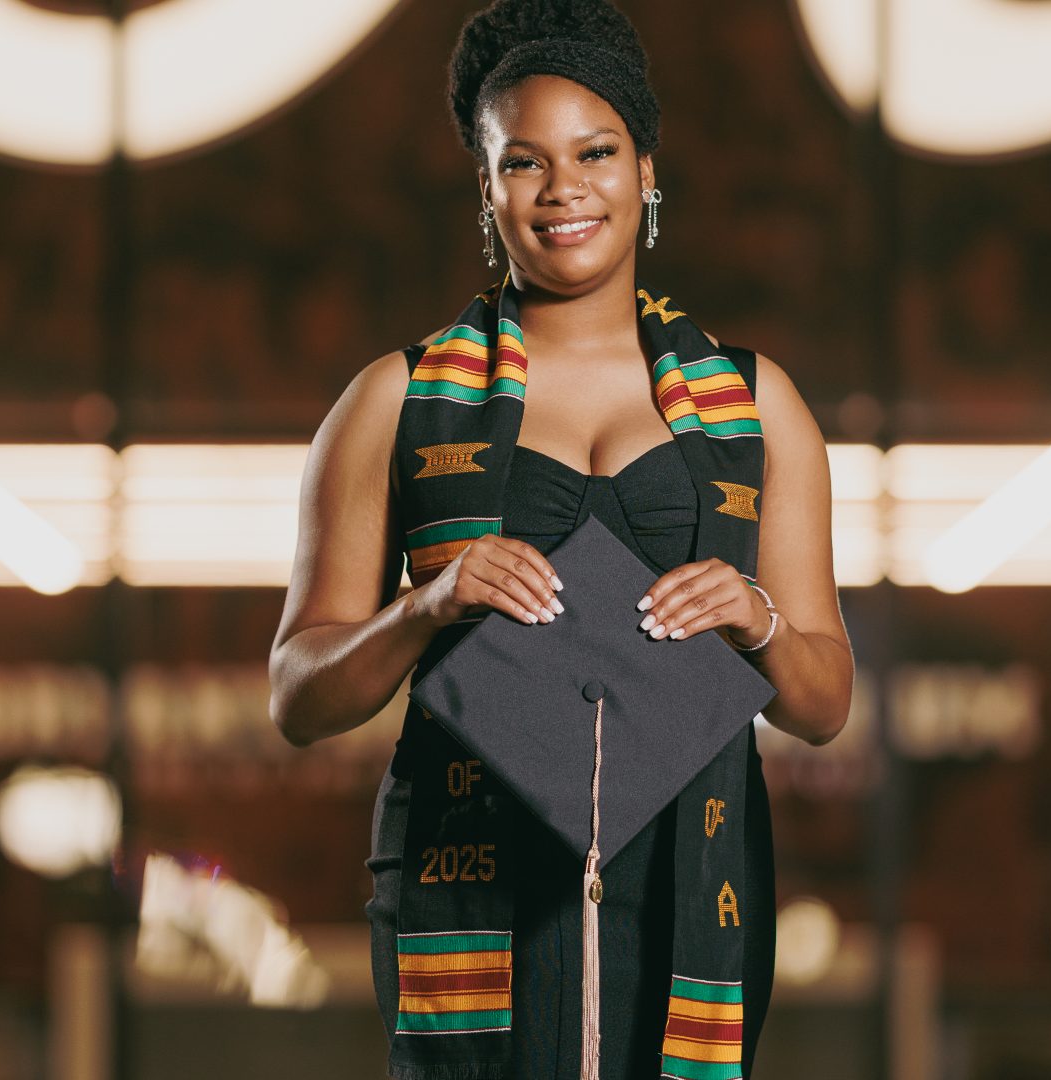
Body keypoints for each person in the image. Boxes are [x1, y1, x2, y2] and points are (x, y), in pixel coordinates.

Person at [268, 1, 855, 1075]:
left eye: (596, 152)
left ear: (646, 171)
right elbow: (298, 696)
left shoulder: (756, 405)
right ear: (486, 188)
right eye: (523, 162)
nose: (562, 189)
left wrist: (756, 620)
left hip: (688, 882)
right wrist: (428, 605)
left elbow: (823, 704)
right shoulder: (396, 401)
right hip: (471, 883)